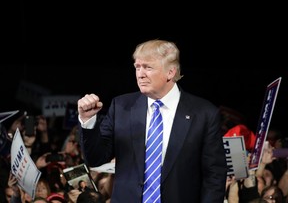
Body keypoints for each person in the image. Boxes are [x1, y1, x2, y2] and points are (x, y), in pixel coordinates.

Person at [77, 39, 227, 202]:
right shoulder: (121, 107)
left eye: (148, 67)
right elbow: (95, 158)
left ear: (170, 72)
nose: (140, 74)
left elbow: (214, 176)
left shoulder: (204, 113)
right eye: (137, 67)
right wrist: (88, 120)